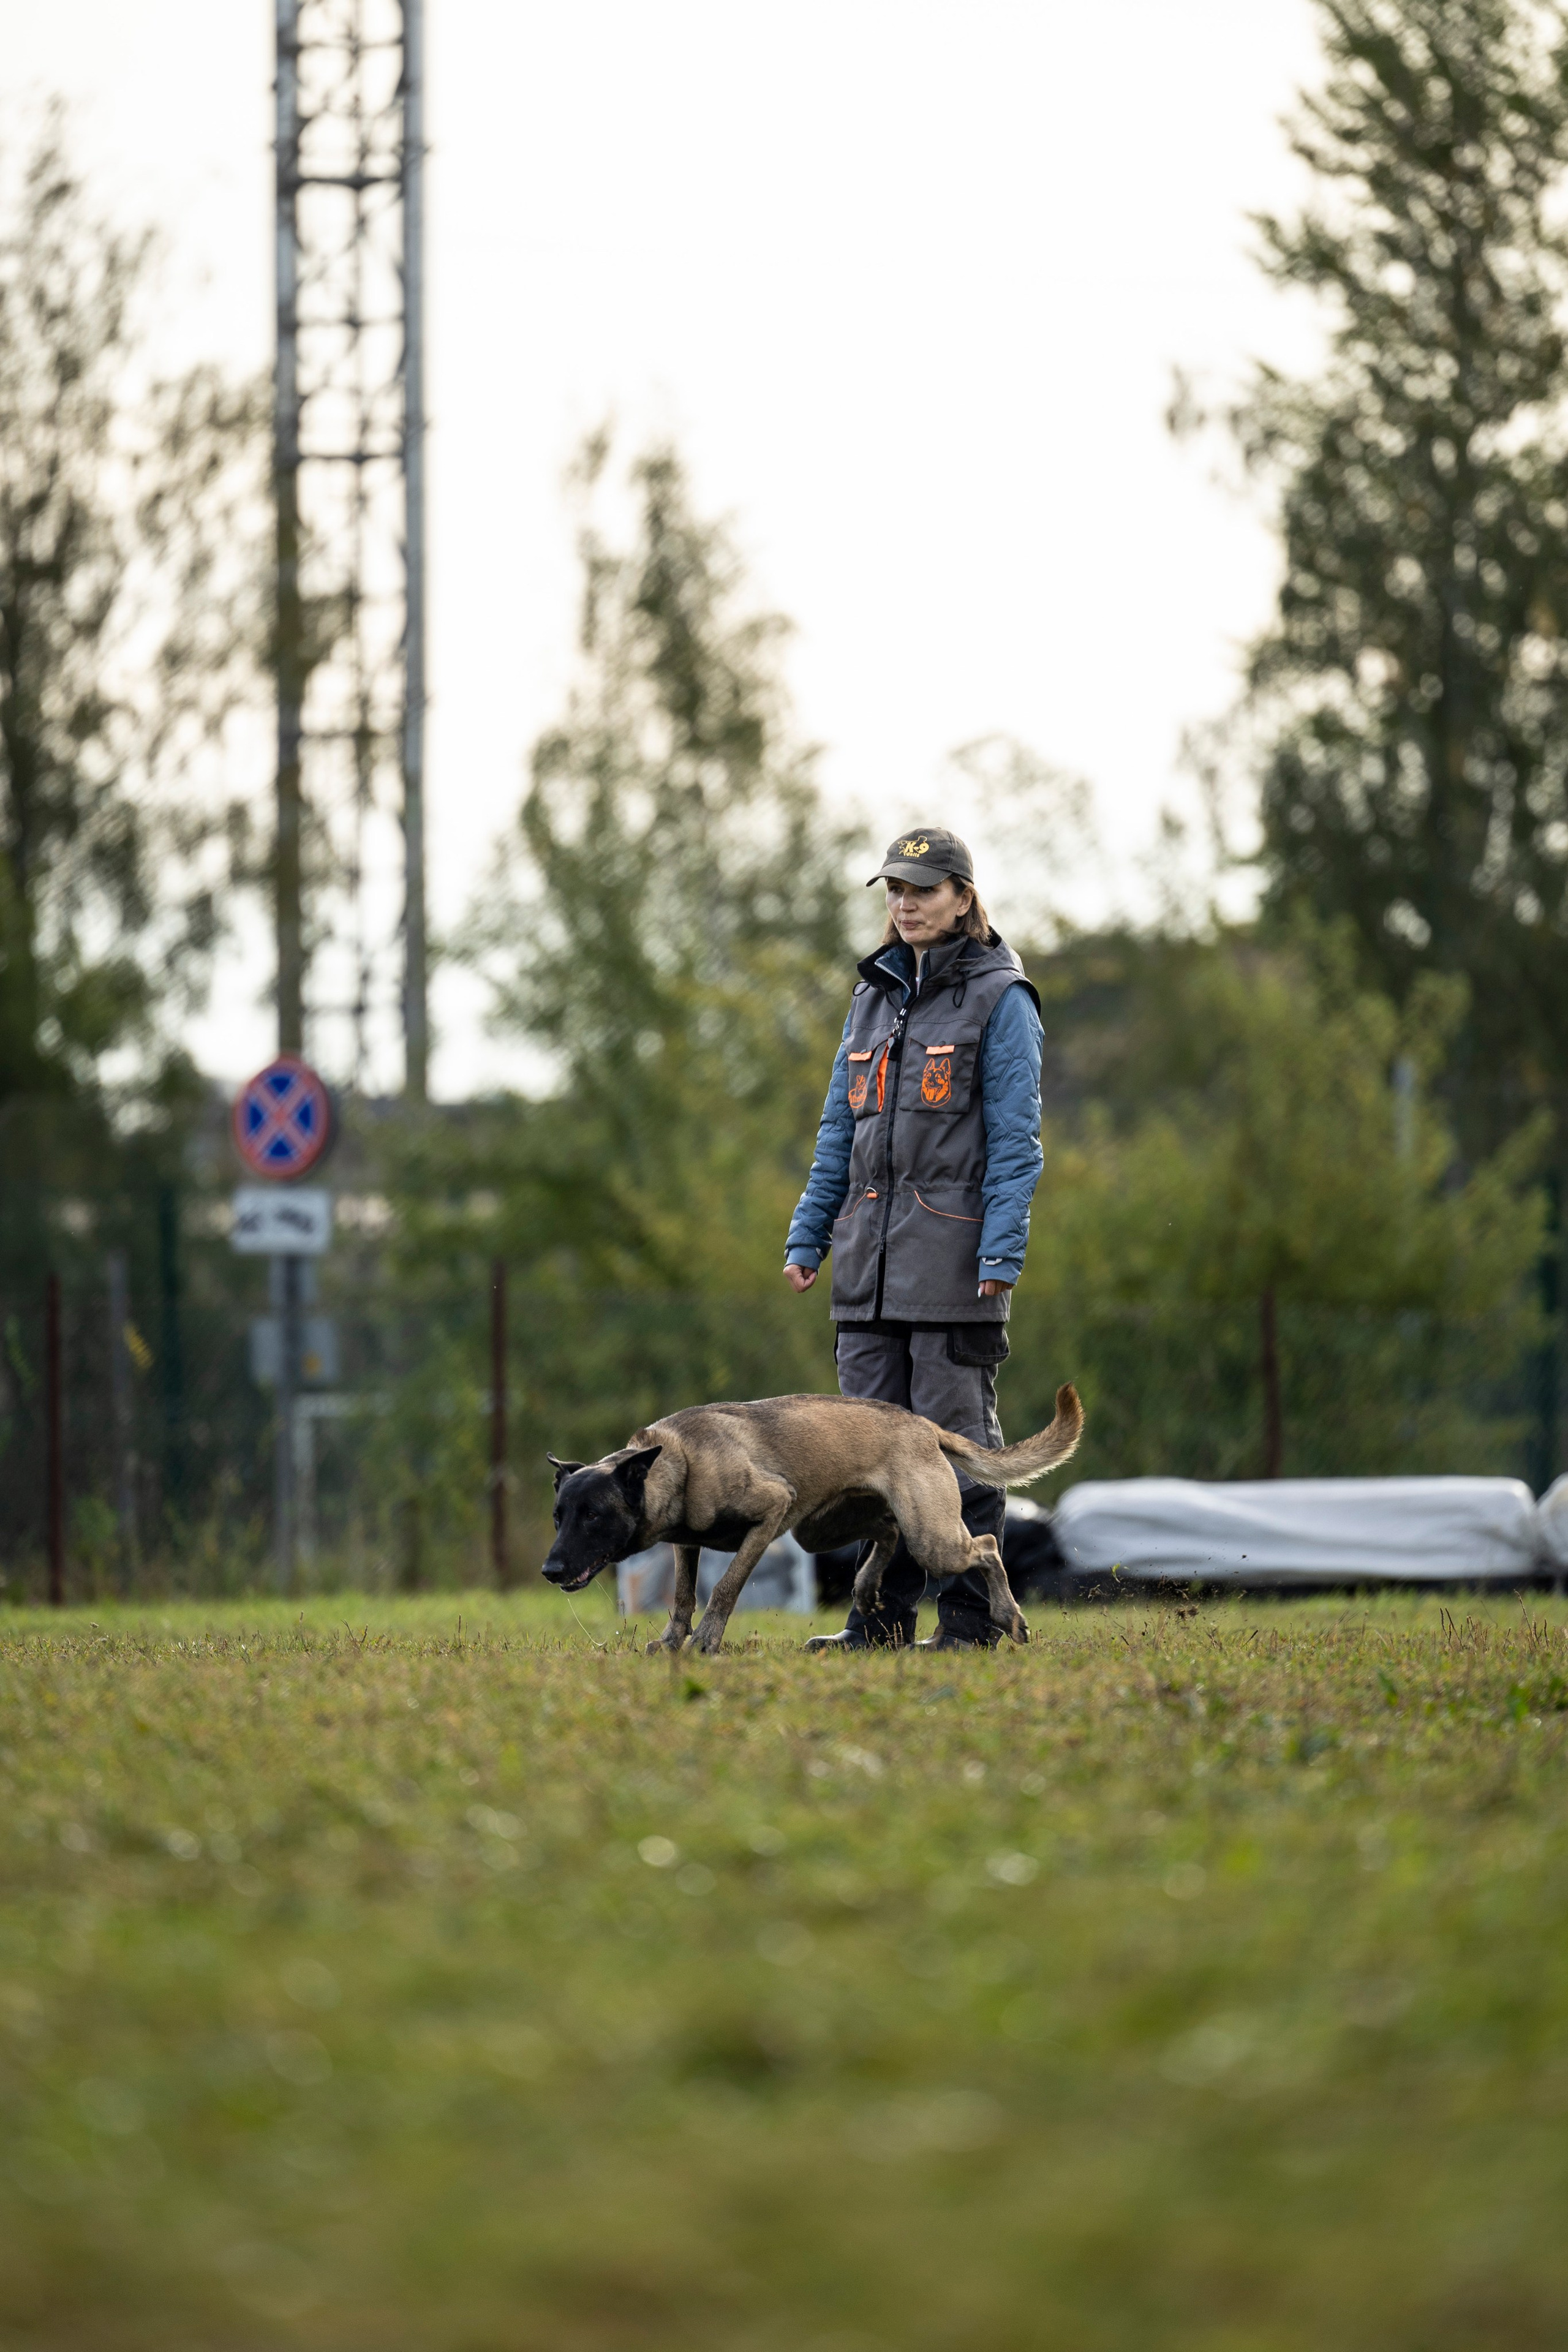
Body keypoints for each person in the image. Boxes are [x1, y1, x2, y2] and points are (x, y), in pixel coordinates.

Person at [783, 827, 1044, 1650]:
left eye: (923, 890)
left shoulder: (1003, 999)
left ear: (963, 897)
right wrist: (809, 1236)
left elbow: (1017, 1142)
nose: (905, 903)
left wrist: (1001, 1253)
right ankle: (881, 1626)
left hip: (956, 1271)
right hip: (866, 1274)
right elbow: (838, 1133)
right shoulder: (870, 997)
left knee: (956, 1458)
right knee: (866, 1467)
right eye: (895, 889)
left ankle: (973, 1627)